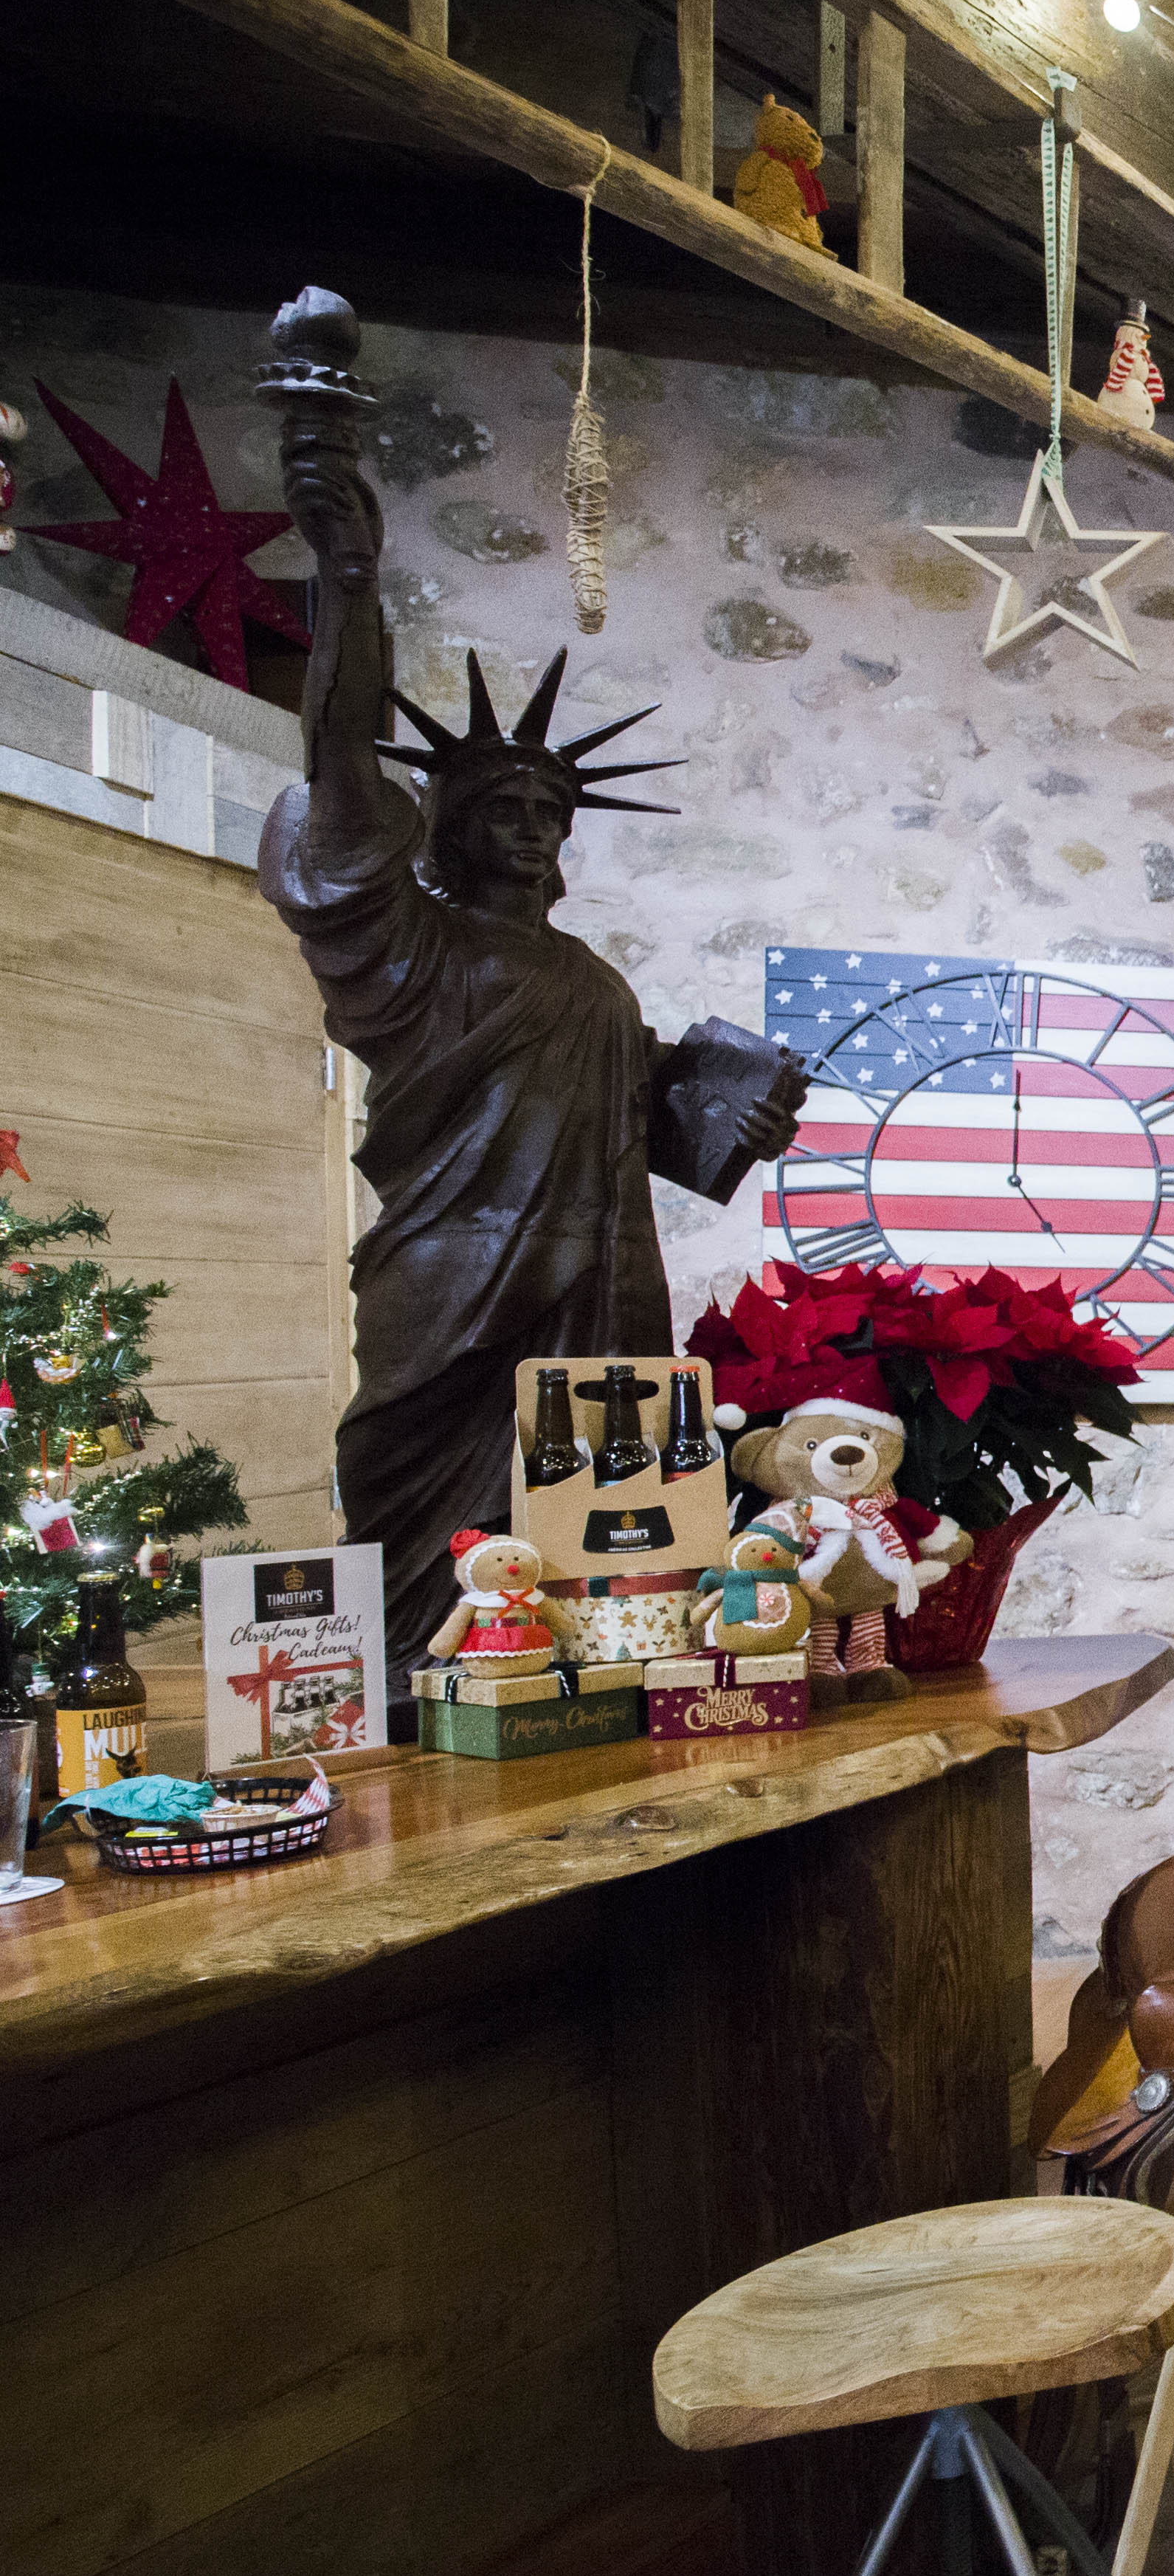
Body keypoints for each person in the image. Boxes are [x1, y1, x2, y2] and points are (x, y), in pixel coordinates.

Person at [251, 287, 805, 1656]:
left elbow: (641, 1115)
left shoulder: (588, 976)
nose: (529, 827)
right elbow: (339, 757)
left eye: (549, 812)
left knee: (610, 1557)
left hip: (602, 1282)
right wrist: (348, 575)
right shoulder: (409, 940)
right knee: (415, 1522)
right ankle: (414, 1690)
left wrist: (726, 1106)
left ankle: (606, 1682)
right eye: (500, 804)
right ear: (442, 823)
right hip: (455, 1276)